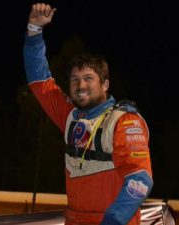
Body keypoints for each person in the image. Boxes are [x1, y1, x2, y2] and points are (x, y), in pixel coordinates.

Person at [23, 3, 153, 225]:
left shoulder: (123, 121)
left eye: (88, 78)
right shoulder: (71, 117)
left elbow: (139, 180)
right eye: (75, 79)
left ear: (105, 84)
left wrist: (113, 220)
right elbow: (39, 81)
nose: (80, 85)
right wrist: (34, 31)